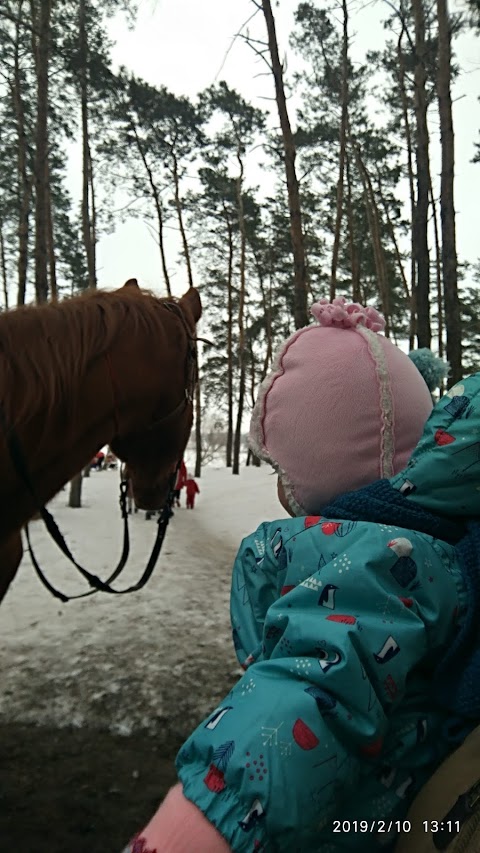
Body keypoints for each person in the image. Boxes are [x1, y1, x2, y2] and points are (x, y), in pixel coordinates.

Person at [121, 297, 480, 853]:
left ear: (315, 472)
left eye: (280, 467)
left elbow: (302, 695)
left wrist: (194, 829)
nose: (280, 485)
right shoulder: (438, 546)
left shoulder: (369, 568)